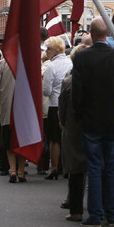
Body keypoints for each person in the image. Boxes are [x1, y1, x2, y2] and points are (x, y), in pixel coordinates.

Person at [72, 17, 114, 227]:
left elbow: (78, 92)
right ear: (109, 34)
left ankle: (95, 215)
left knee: (93, 167)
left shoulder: (83, 58)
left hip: (91, 120)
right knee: (112, 167)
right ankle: (112, 215)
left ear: (91, 35)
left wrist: (80, 113)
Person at [59, 43, 89, 221]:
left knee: (76, 169)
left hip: (73, 128)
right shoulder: (99, 80)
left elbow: (62, 109)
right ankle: (102, 209)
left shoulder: (68, 82)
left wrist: (63, 123)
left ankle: (76, 209)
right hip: (96, 128)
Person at [0, 55, 26, 182]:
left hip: (8, 105)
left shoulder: (3, 64)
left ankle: (13, 170)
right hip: (25, 107)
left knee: (8, 138)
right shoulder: (28, 62)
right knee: (23, 140)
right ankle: (21, 171)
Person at [42, 36, 73, 180]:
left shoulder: (51, 67)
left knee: (54, 139)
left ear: (54, 50)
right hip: (70, 104)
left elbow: (46, 91)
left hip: (55, 105)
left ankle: (54, 167)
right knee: (67, 137)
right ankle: (67, 166)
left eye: (48, 49)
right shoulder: (71, 62)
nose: (46, 51)